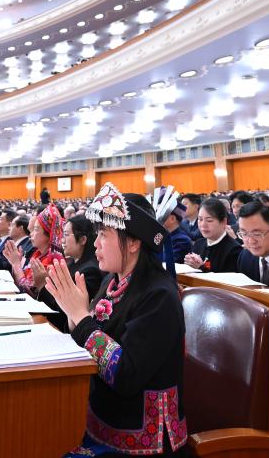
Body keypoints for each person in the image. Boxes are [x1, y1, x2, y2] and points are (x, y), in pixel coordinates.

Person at [46, 183, 187, 457]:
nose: (96, 243)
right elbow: (93, 338)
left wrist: (81, 317)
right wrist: (75, 317)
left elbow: (125, 375)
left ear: (134, 243)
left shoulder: (160, 295)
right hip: (99, 420)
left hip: (141, 440)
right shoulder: (112, 280)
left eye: (104, 234)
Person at [6, 204, 64, 294]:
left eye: (36, 229)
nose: (31, 234)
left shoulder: (51, 260)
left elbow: (29, 291)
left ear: (49, 235)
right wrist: (16, 263)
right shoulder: (38, 254)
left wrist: (16, 264)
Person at [183, 198, 241, 273]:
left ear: (223, 222)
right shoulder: (199, 244)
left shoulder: (234, 250)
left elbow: (227, 279)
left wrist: (201, 267)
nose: (203, 225)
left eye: (209, 220)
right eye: (200, 219)